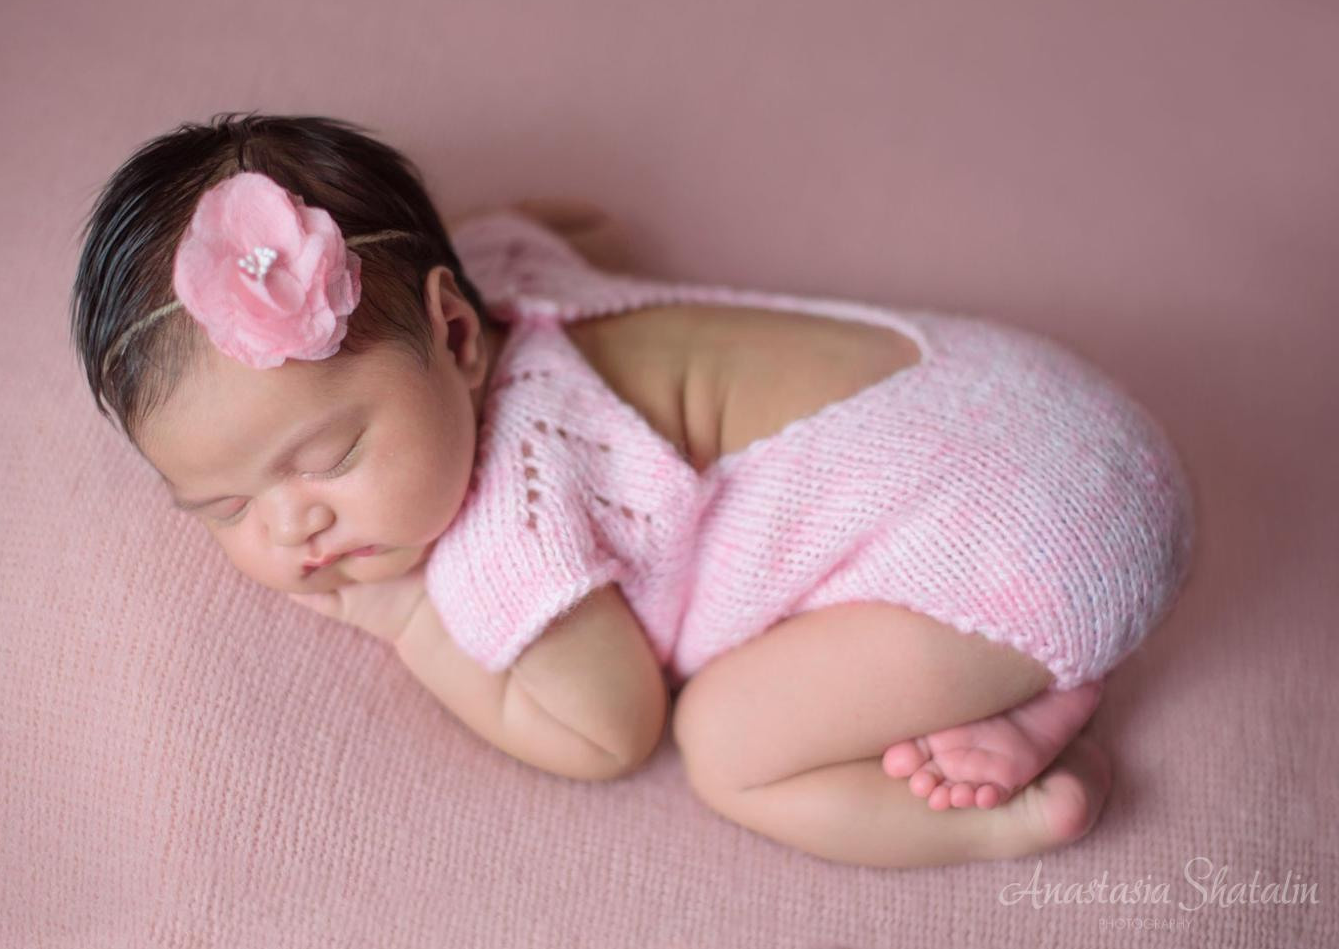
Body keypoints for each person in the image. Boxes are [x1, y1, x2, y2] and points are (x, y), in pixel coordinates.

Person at [69, 111, 1196, 868]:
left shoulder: (506, 526)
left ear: (458, 332)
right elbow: (577, 223)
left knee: (728, 745)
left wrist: (405, 610)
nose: (292, 523)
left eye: (329, 459)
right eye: (221, 506)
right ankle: (1018, 676)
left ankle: (1016, 810)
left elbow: (606, 728)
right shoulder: (507, 264)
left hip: (1028, 540)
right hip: (1039, 403)